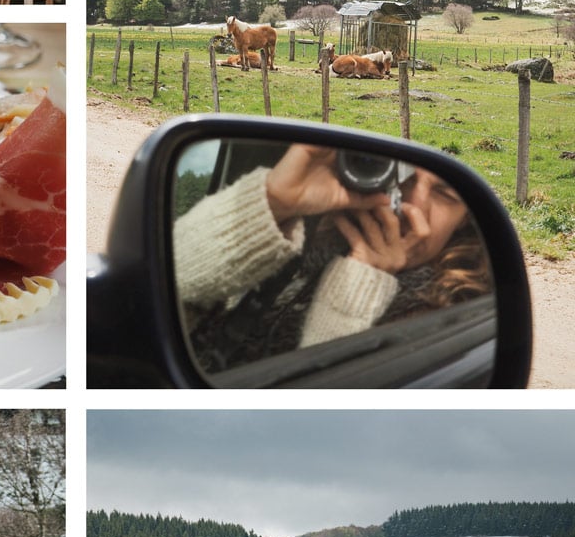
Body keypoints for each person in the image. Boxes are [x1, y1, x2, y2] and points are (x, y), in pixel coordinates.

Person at [174, 143, 490, 369]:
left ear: (465, 220)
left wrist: (361, 281)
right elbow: (157, 293)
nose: (415, 204)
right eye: (400, 176)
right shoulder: (299, 244)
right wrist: (271, 205)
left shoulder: (453, 310)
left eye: (446, 194)